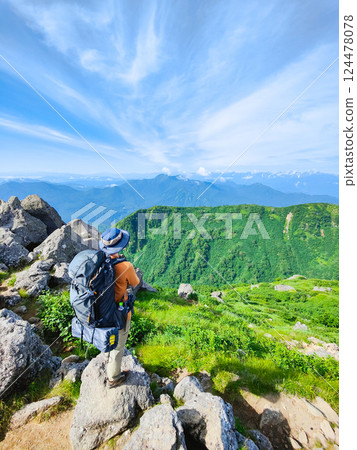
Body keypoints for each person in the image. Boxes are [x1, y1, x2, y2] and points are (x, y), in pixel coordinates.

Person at [99, 227, 140, 388]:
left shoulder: (98, 261)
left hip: (102, 310)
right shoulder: (125, 266)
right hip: (119, 312)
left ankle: (106, 356)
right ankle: (113, 377)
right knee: (119, 345)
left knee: (109, 338)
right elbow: (135, 283)